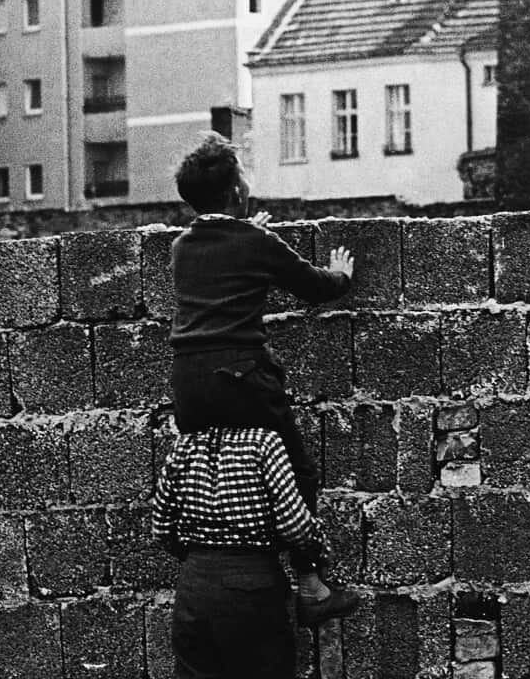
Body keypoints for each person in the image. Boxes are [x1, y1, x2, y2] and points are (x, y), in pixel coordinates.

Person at [167, 131, 360, 627]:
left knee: (209, 472)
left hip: (188, 384)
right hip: (241, 377)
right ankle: (311, 587)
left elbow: (220, 255)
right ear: (236, 191)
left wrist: (244, 230)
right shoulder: (255, 241)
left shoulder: (182, 247)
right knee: (297, 474)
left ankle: (216, 574)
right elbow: (315, 288)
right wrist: (339, 275)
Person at [152, 425, 335, 678]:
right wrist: (318, 551)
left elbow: (161, 528)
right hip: (253, 579)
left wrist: (198, 558)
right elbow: (295, 526)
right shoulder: (263, 442)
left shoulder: (184, 445)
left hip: (194, 584)